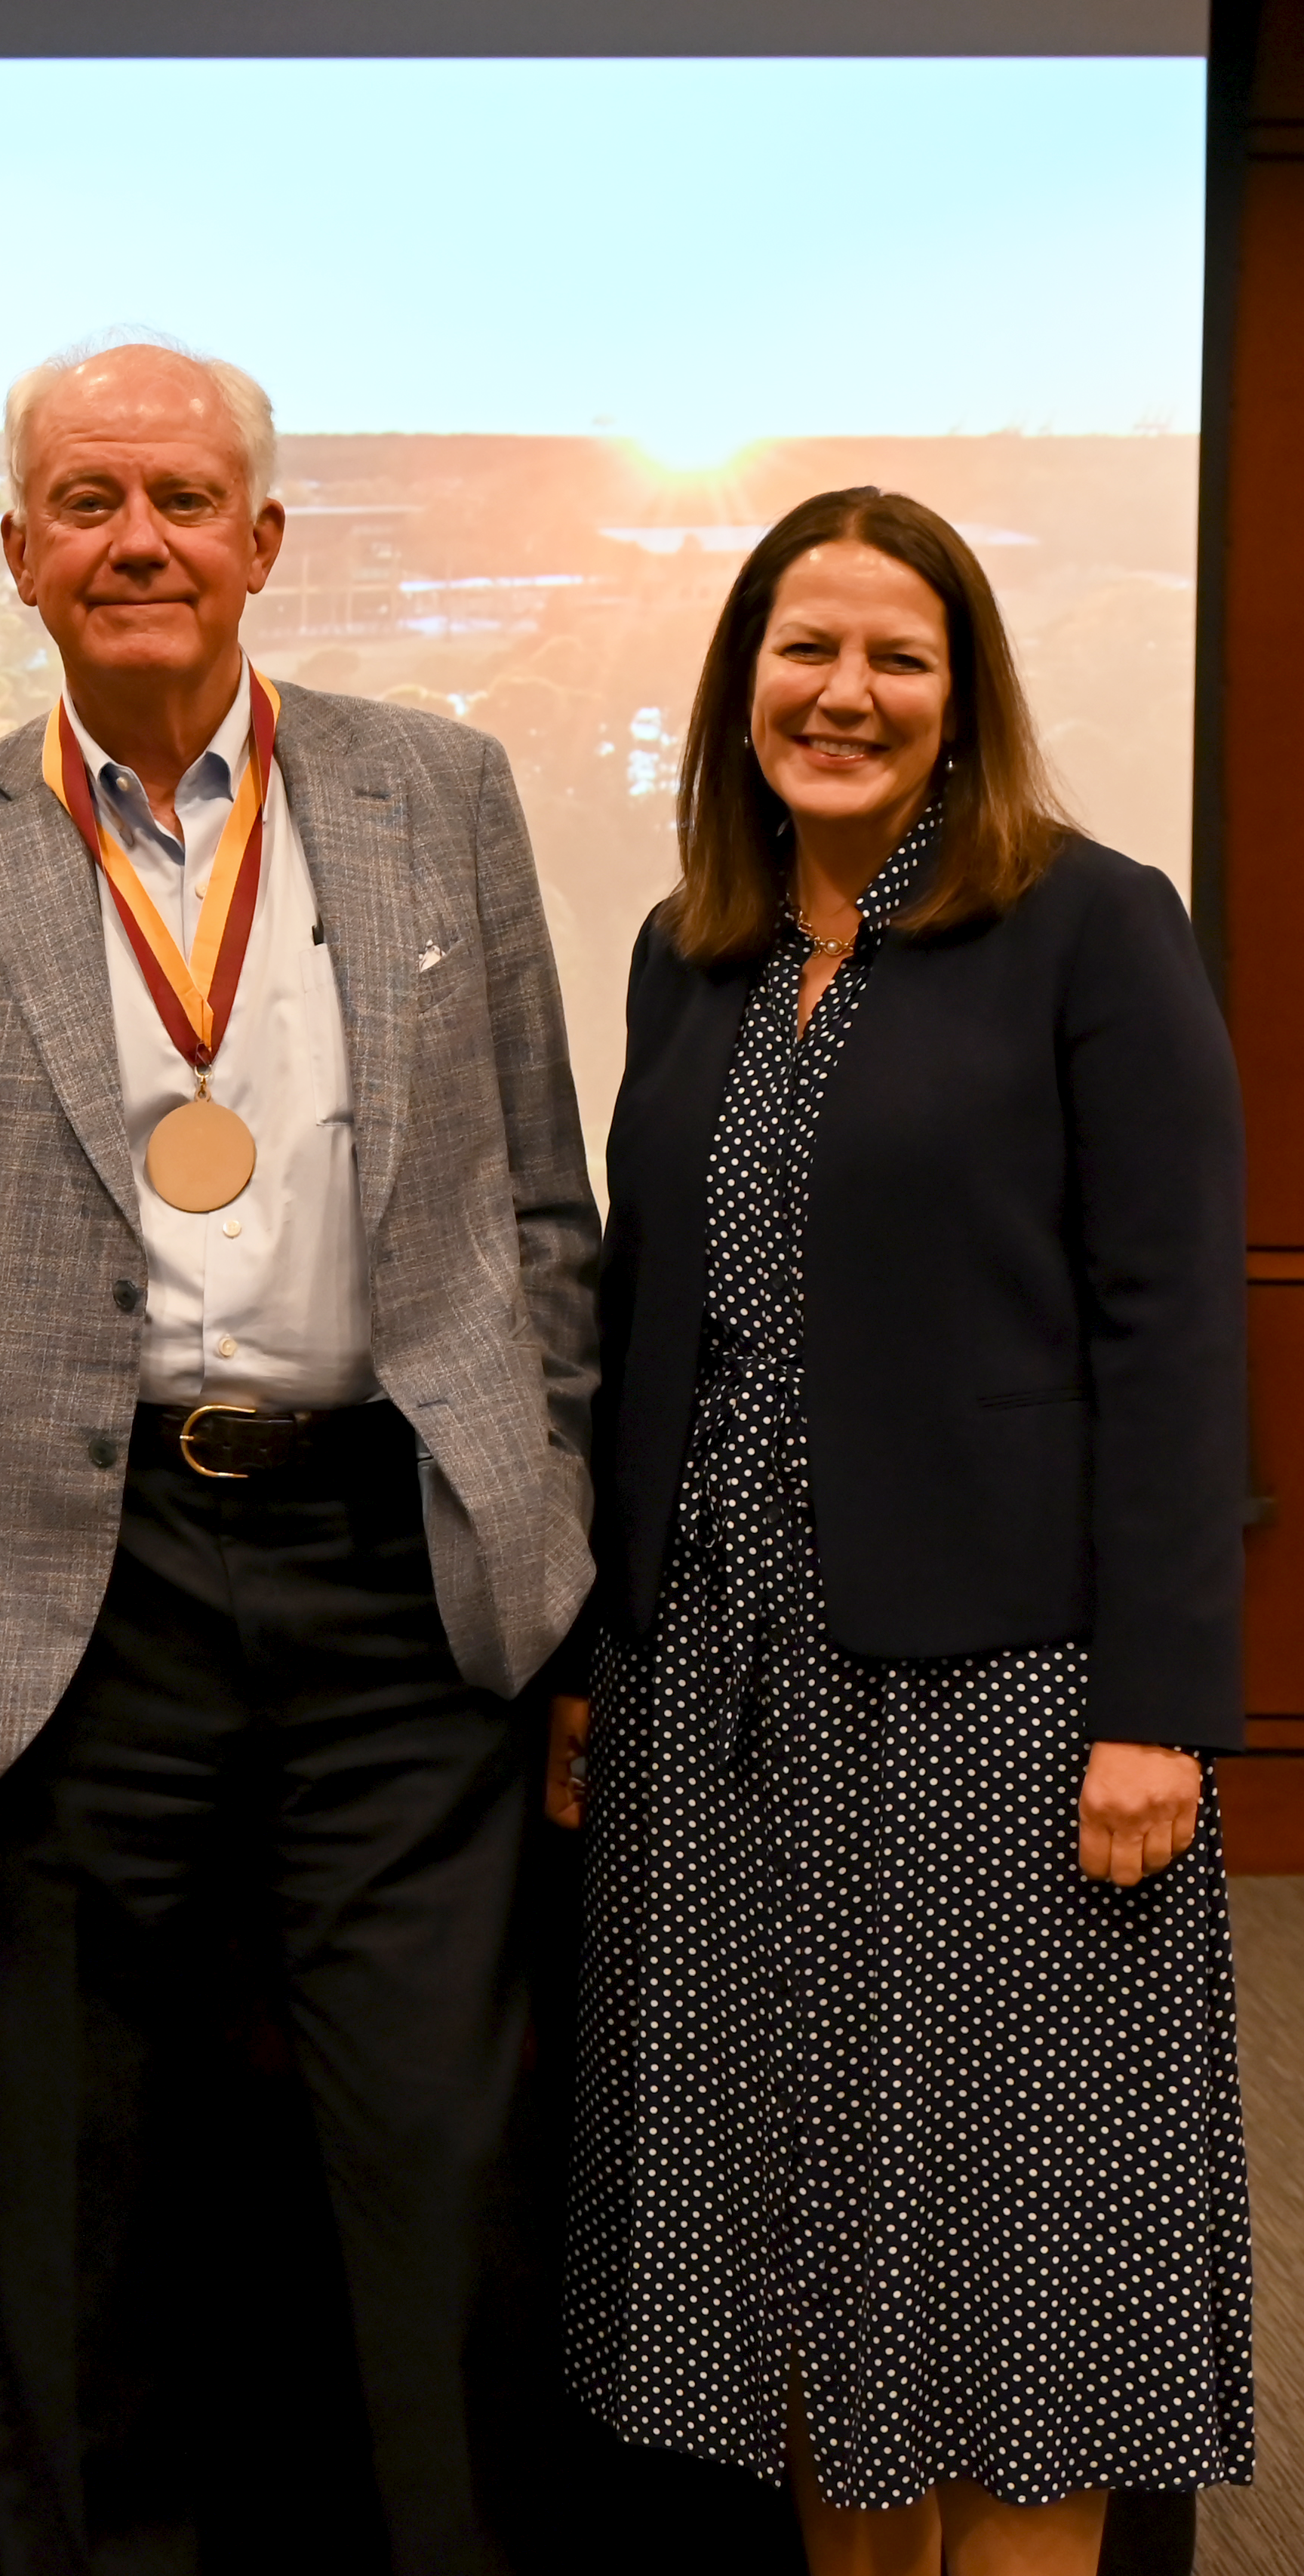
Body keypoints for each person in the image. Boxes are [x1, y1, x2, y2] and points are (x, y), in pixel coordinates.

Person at [0, 340, 598, 2574]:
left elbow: (542, 1217)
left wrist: (567, 1562)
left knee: (442, 2199)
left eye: (186, 498)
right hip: (69, 1596)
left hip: (396, 1586)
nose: (141, 537)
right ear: (21, 553)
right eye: (90, 500)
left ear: (263, 541)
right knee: (64, 2223)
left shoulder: (444, 790)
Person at [550, 486, 1253, 2574]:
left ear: (963, 699)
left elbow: (1177, 1329)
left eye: (897, 655)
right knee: (789, 2227)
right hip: (718, 1688)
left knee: (1014, 2248)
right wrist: (606, 1658)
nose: (844, 690)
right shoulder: (691, 956)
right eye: (804, 647)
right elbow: (642, 1313)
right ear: (739, 681)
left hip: (1008, 1695)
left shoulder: (1092, 921)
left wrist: (1164, 1709)